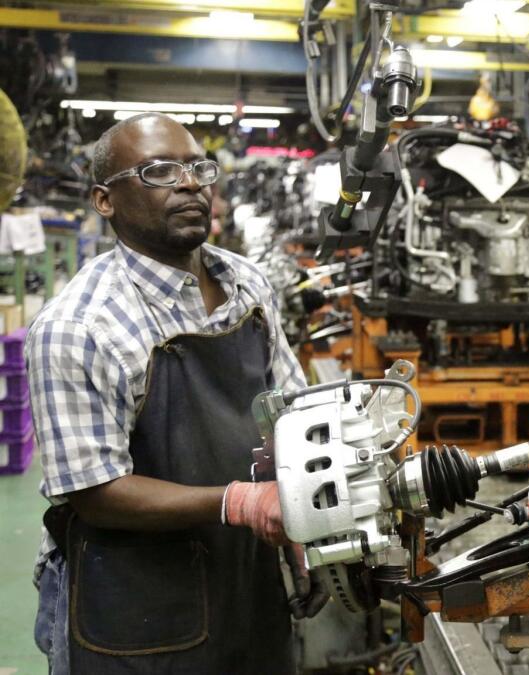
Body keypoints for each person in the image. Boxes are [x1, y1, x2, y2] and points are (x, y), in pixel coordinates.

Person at [27, 112, 323, 674]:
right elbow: (93, 490)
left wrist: (306, 537)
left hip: (246, 574)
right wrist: (238, 502)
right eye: (158, 171)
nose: (189, 183)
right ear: (104, 201)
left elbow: (290, 413)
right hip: (137, 602)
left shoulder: (246, 284)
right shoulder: (80, 327)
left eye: (196, 166)